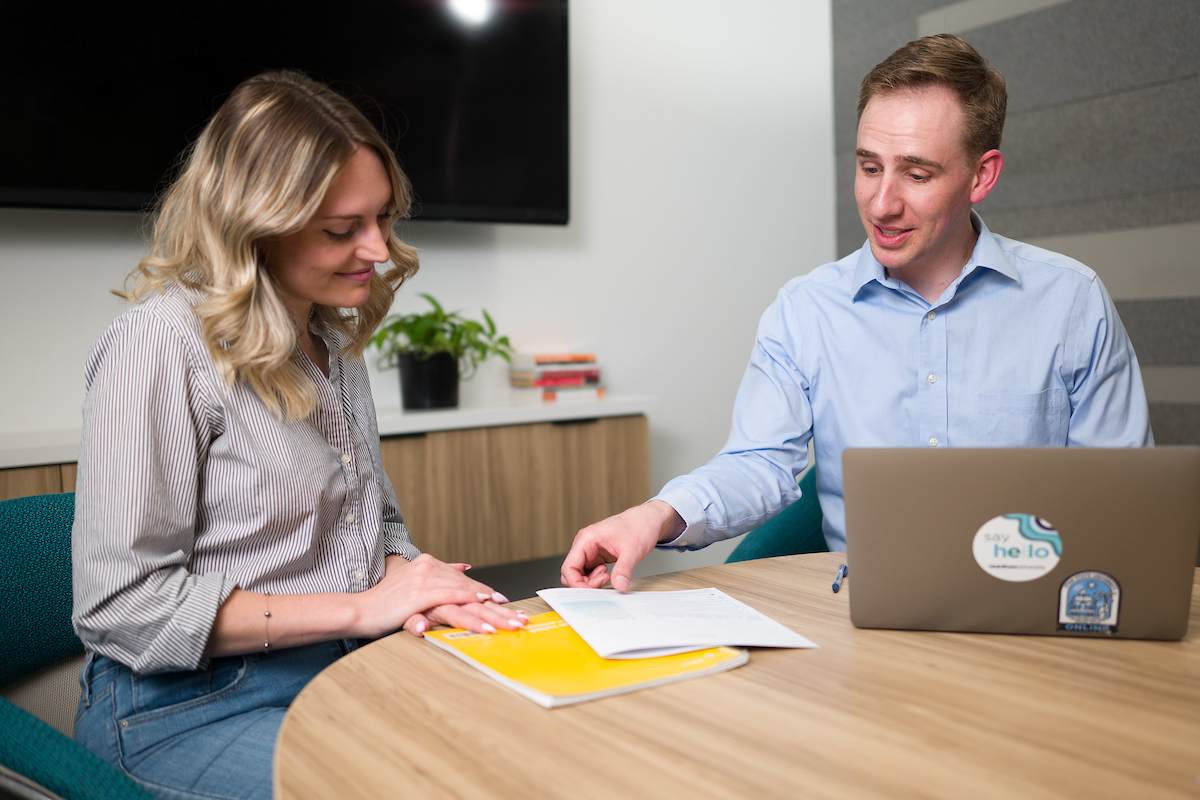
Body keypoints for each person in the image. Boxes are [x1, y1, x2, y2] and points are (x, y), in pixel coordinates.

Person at [71, 71, 527, 800]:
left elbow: (369, 528)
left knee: (523, 753)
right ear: (255, 226)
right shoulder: (159, 345)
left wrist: (419, 585)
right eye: (342, 230)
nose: (378, 249)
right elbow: (125, 607)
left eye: (383, 218)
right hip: (186, 709)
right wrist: (364, 607)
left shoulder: (332, 342)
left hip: (339, 668)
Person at [561, 34, 1152, 592]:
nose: (882, 203)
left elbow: (1121, 498)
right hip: (865, 619)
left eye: (916, 174)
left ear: (982, 175)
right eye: (870, 167)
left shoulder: (1071, 302)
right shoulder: (806, 309)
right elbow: (759, 462)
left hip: (1031, 609)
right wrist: (654, 514)